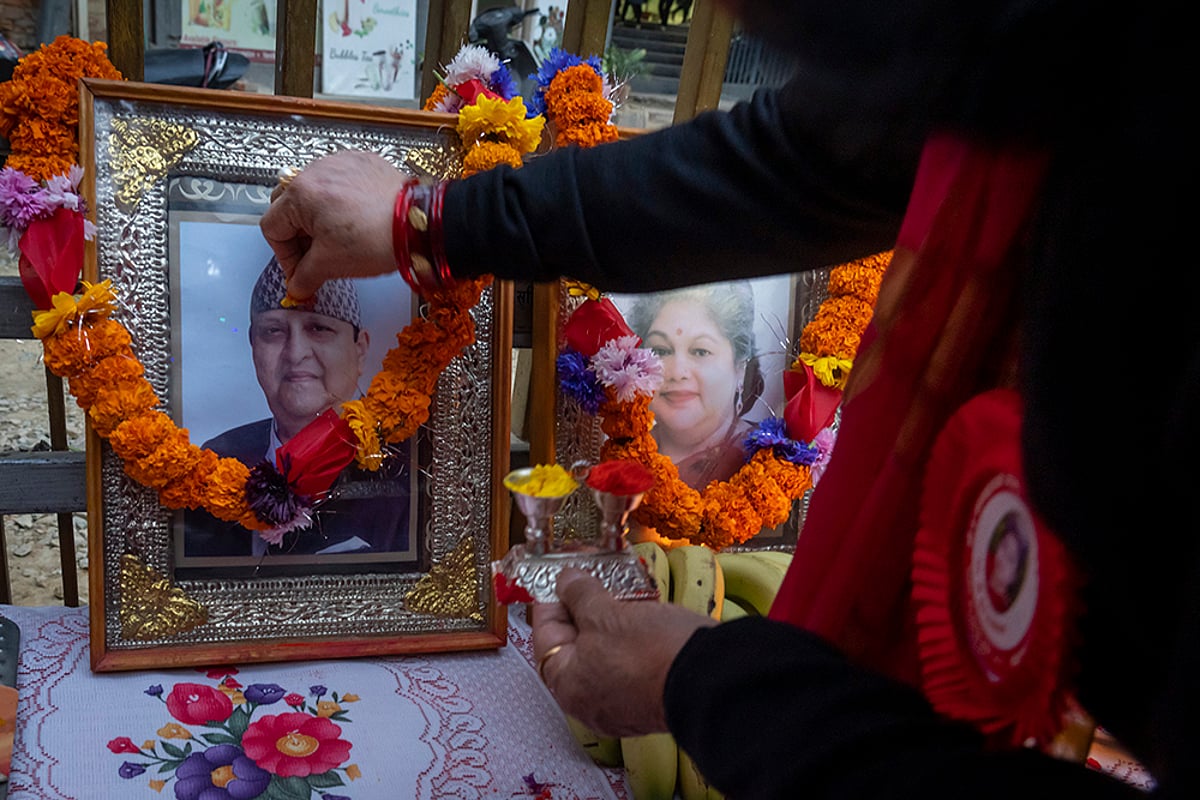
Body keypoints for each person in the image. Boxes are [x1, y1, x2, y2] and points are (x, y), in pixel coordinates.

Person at [258, 1, 1195, 796]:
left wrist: (697, 681)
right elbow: (802, 161)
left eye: (702, 349)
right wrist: (435, 221)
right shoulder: (1023, 65)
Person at [184, 257, 411, 559]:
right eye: (273, 331)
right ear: (253, 345)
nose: (295, 353)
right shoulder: (218, 459)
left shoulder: (405, 471)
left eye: (319, 328)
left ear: (360, 349)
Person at [624, 282, 764, 489]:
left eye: (700, 351)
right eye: (661, 351)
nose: (677, 373)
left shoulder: (764, 464)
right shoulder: (624, 455)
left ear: (740, 368)